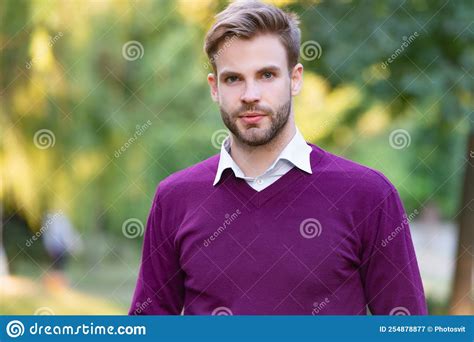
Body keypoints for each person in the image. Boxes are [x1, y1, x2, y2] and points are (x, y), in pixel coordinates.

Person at [129, 0, 427, 315]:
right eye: (233, 79)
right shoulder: (175, 198)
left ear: (295, 78)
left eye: (267, 75)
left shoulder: (368, 195)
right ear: (214, 88)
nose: (250, 94)